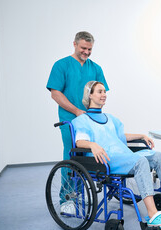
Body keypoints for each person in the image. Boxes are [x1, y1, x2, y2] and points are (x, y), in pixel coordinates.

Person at [71, 81, 161, 229]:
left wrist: (141, 135)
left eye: (104, 92)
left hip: (123, 156)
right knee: (141, 162)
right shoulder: (82, 120)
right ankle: (153, 215)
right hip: (106, 160)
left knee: (158, 156)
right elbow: (80, 142)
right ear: (90, 95)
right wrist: (92, 145)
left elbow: (120, 137)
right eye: (100, 92)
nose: (104, 95)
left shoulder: (110, 119)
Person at [46, 31, 109, 204]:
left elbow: (101, 94)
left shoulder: (95, 68)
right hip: (70, 121)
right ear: (74, 44)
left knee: (88, 158)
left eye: (89, 49)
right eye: (83, 48)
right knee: (72, 158)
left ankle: (81, 196)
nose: (86, 52)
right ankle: (67, 199)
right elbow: (55, 93)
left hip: (91, 121)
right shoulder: (61, 65)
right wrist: (76, 111)